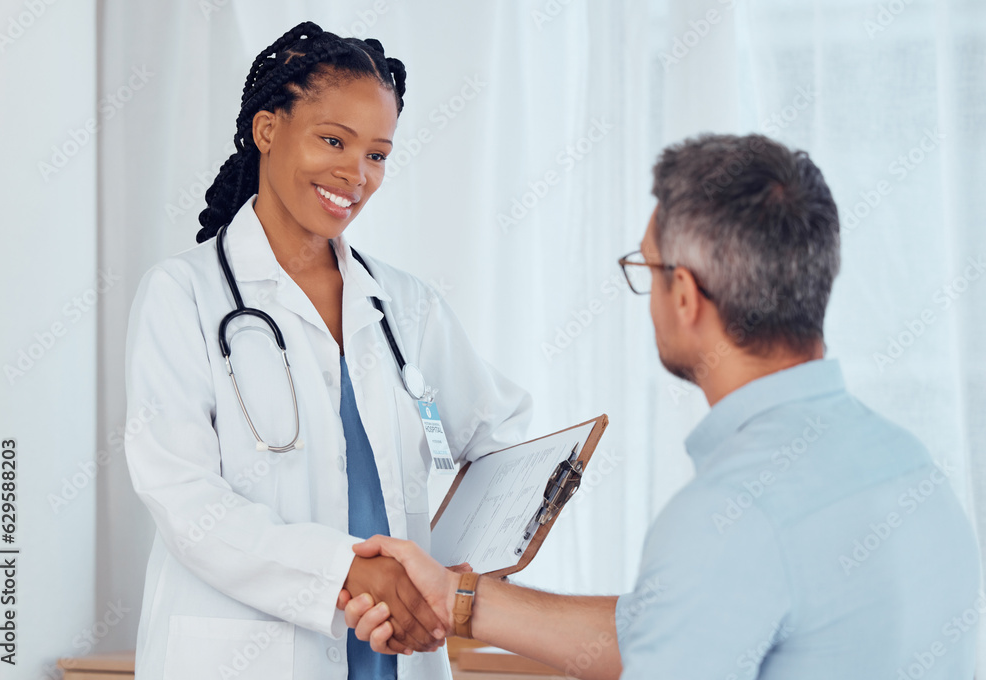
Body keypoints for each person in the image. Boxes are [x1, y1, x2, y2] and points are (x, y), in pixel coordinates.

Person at [341, 133, 982, 679]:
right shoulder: (906, 462)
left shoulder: (729, 517)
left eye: (645, 270)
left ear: (685, 296)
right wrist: (460, 600)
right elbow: (673, 621)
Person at [122, 21, 530, 680]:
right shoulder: (184, 296)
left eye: (378, 154)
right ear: (267, 130)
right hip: (250, 655)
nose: (356, 174)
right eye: (333, 140)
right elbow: (184, 498)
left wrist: (452, 567)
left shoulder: (406, 305)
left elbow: (499, 436)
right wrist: (346, 569)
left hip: (394, 646)